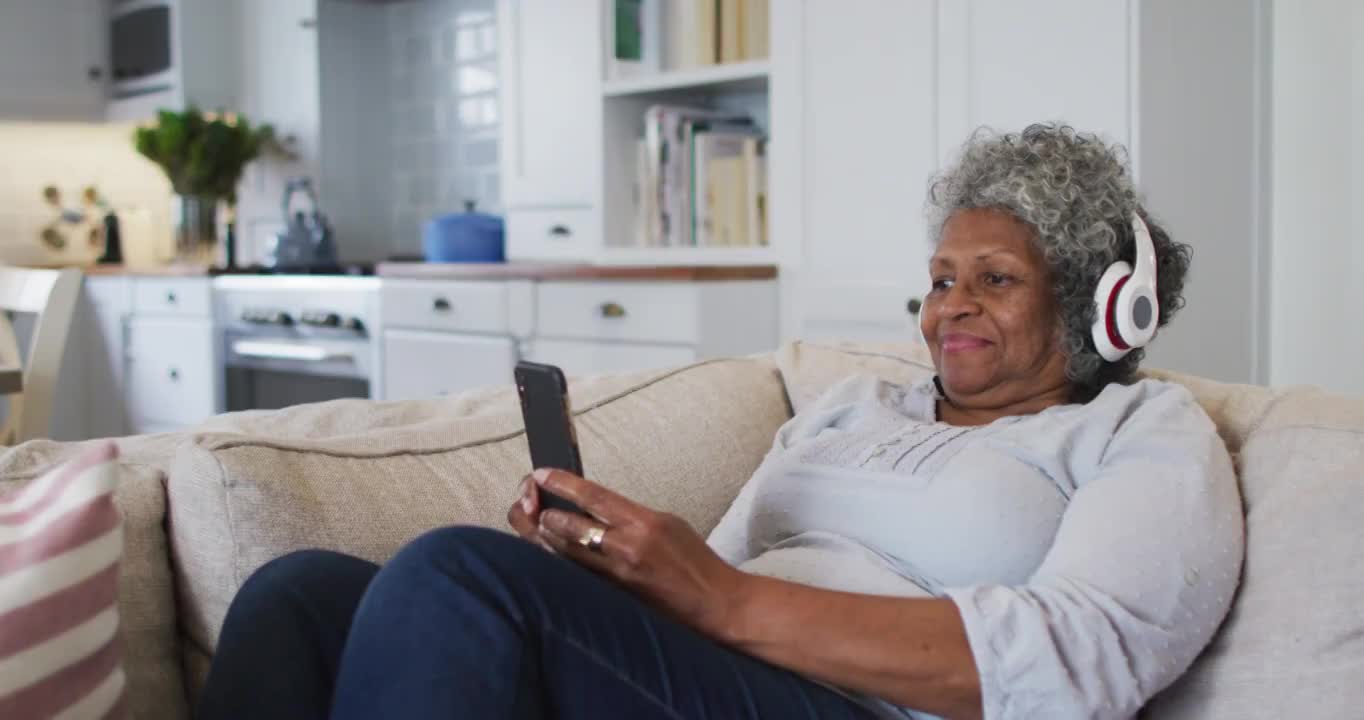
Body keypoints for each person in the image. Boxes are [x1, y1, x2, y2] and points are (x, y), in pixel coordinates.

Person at [199, 124, 1243, 720]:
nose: (946, 306)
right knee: (298, 595)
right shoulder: (851, 404)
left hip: (860, 709)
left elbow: (1075, 661)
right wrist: (605, 561)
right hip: (717, 675)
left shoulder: (1138, 432)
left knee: (450, 575)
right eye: (936, 279)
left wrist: (722, 599)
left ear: (1105, 307)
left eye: (993, 279)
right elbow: (714, 575)